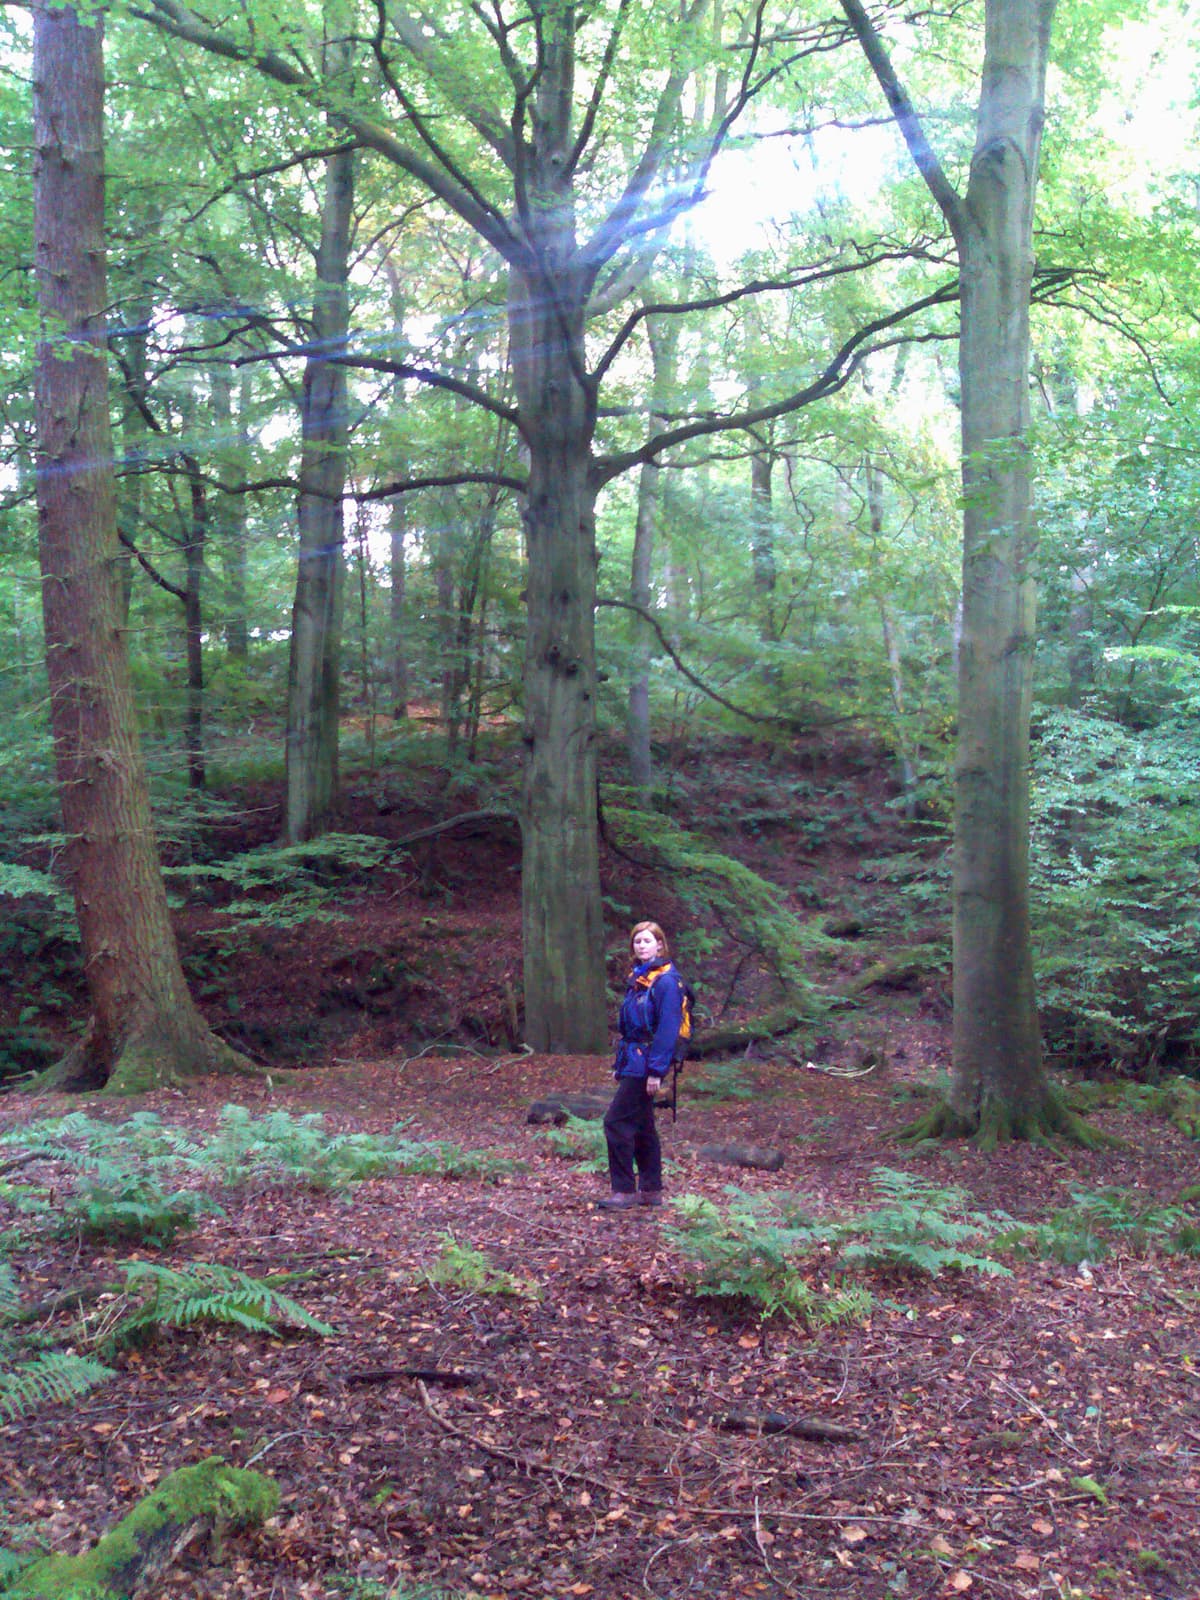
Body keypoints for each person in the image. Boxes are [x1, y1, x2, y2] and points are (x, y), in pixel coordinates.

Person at [597, 920, 686, 1211]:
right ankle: (650, 1189)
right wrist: (619, 1065)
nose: (641, 946)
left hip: (648, 1060)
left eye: (647, 941)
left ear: (660, 944)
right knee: (643, 1125)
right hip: (634, 1059)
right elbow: (630, 1029)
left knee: (616, 1121)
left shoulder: (667, 981)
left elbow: (668, 1028)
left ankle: (624, 1191)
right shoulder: (639, 979)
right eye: (637, 941)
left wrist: (657, 1071)